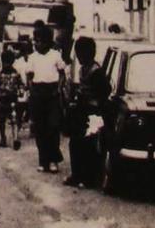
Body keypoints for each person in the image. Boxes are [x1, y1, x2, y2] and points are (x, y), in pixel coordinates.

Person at [64, 37, 111, 188]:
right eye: (77, 53)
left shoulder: (97, 71)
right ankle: (77, 175)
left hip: (93, 113)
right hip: (82, 111)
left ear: (90, 53)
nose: (79, 57)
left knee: (89, 145)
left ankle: (89, 178)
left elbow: (104, 92)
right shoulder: (82, 69)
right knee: (75, 143)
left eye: (82, 53)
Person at [25, 25, 66, 173]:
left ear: (48, 42)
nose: (37, 44)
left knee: (53, 128)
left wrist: (59, 88)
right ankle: (43, 161)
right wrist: (31, 90)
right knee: (40, 129)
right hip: (37, 94)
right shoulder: (32, 57)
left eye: (40, 41)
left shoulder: (55, 55)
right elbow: (29, 76)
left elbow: (62, 74)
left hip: (52, 94)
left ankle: (54, 160)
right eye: (35, 41)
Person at [0, 50, 24, 149]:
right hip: (1, 100)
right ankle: (3, 138)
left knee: (14, 119)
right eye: (5, 62)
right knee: (1, 119)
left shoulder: (16, 73)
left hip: (13, 99)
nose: (7, 65)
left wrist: (21, 92)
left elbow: (21, 85)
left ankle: (15, 139)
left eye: (9, 62)